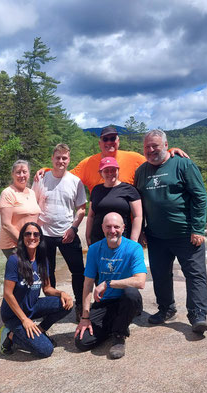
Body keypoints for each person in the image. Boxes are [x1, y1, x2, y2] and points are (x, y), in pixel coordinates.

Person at [134, 129, 207, 334]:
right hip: (156, 236)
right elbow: (138, 205)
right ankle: (166, 309)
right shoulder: (141, 172)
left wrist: (198, 228)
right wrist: (141, 231)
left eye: (155, 146)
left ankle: (198, 315)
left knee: (195, 275)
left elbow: (200, 196)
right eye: (147, 147)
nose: (151, 150)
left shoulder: (183, 164)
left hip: (186, 234)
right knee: (159, 274)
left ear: (166, 145)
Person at [74, 213, 146, 359]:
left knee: (131, 294)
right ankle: (115, 324)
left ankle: (119, 335)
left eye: (116, 227)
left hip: (127, 300)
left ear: (123, 228)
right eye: (108, 226)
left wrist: (108, 283)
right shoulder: (94, 249)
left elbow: (140, 281)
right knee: (82, 342)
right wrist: (85, 317)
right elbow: (88, 284)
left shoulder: (134, 248)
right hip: (105, 302)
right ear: (102, 228)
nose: (112, 230)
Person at [0, 222, 73, 357]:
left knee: (66, 305)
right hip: (14, 315)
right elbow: (8, 294)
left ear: (40, 238)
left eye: (35, 234)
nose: (32, 237)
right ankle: (9, 335)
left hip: (32, 307)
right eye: (28, 234)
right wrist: (24, 320)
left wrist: (61, 293)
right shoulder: (14, 260)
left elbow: (47, 288)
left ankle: (40, 329)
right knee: (46, 350)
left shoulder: (42, 260)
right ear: (22, 237)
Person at [35, 126, 188, 192]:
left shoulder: (134, 158)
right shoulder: (88, 163)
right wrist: (48, 170)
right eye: (105, 139)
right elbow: (66, 177)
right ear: (100, 143)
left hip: (127, 221)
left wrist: (169, 152)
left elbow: (156, 161)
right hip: (100, 222)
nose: (109, 142)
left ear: (118, 141)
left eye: (112, 138)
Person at [32, 143, 87, 322]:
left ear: (69, 160)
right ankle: (52, 306)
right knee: (48, 272)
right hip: (44, 233)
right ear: (52, 159)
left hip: (67, 233)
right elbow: (32, 203)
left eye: (64, 158)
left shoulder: (75, 181)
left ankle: (79, 305)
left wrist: (73, 228)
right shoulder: (41, 179)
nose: (61, 161)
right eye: (58, 158)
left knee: (78, 271)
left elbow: (81, 209)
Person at [86, 156, 142, 246]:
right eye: (106, 171)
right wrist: (88, 236)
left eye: (113, 170)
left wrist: (133, 240)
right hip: (98, 239)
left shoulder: (129, 190)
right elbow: (90, 216)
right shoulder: (96, 190)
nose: (110, 173)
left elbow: (137, 217)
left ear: (118, 171)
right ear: (101, 173)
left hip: (121, 239)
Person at [0, 160, 41, 258]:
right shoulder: (8, 193)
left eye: (24, 172)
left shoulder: (32, 193)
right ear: (13, 174)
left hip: (30, 242)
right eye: (18, 172)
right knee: (21, 272)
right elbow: (6, 224)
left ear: (29, 174)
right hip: (14, 244)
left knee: (31, 272)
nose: (22, 175)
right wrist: (23, 243)